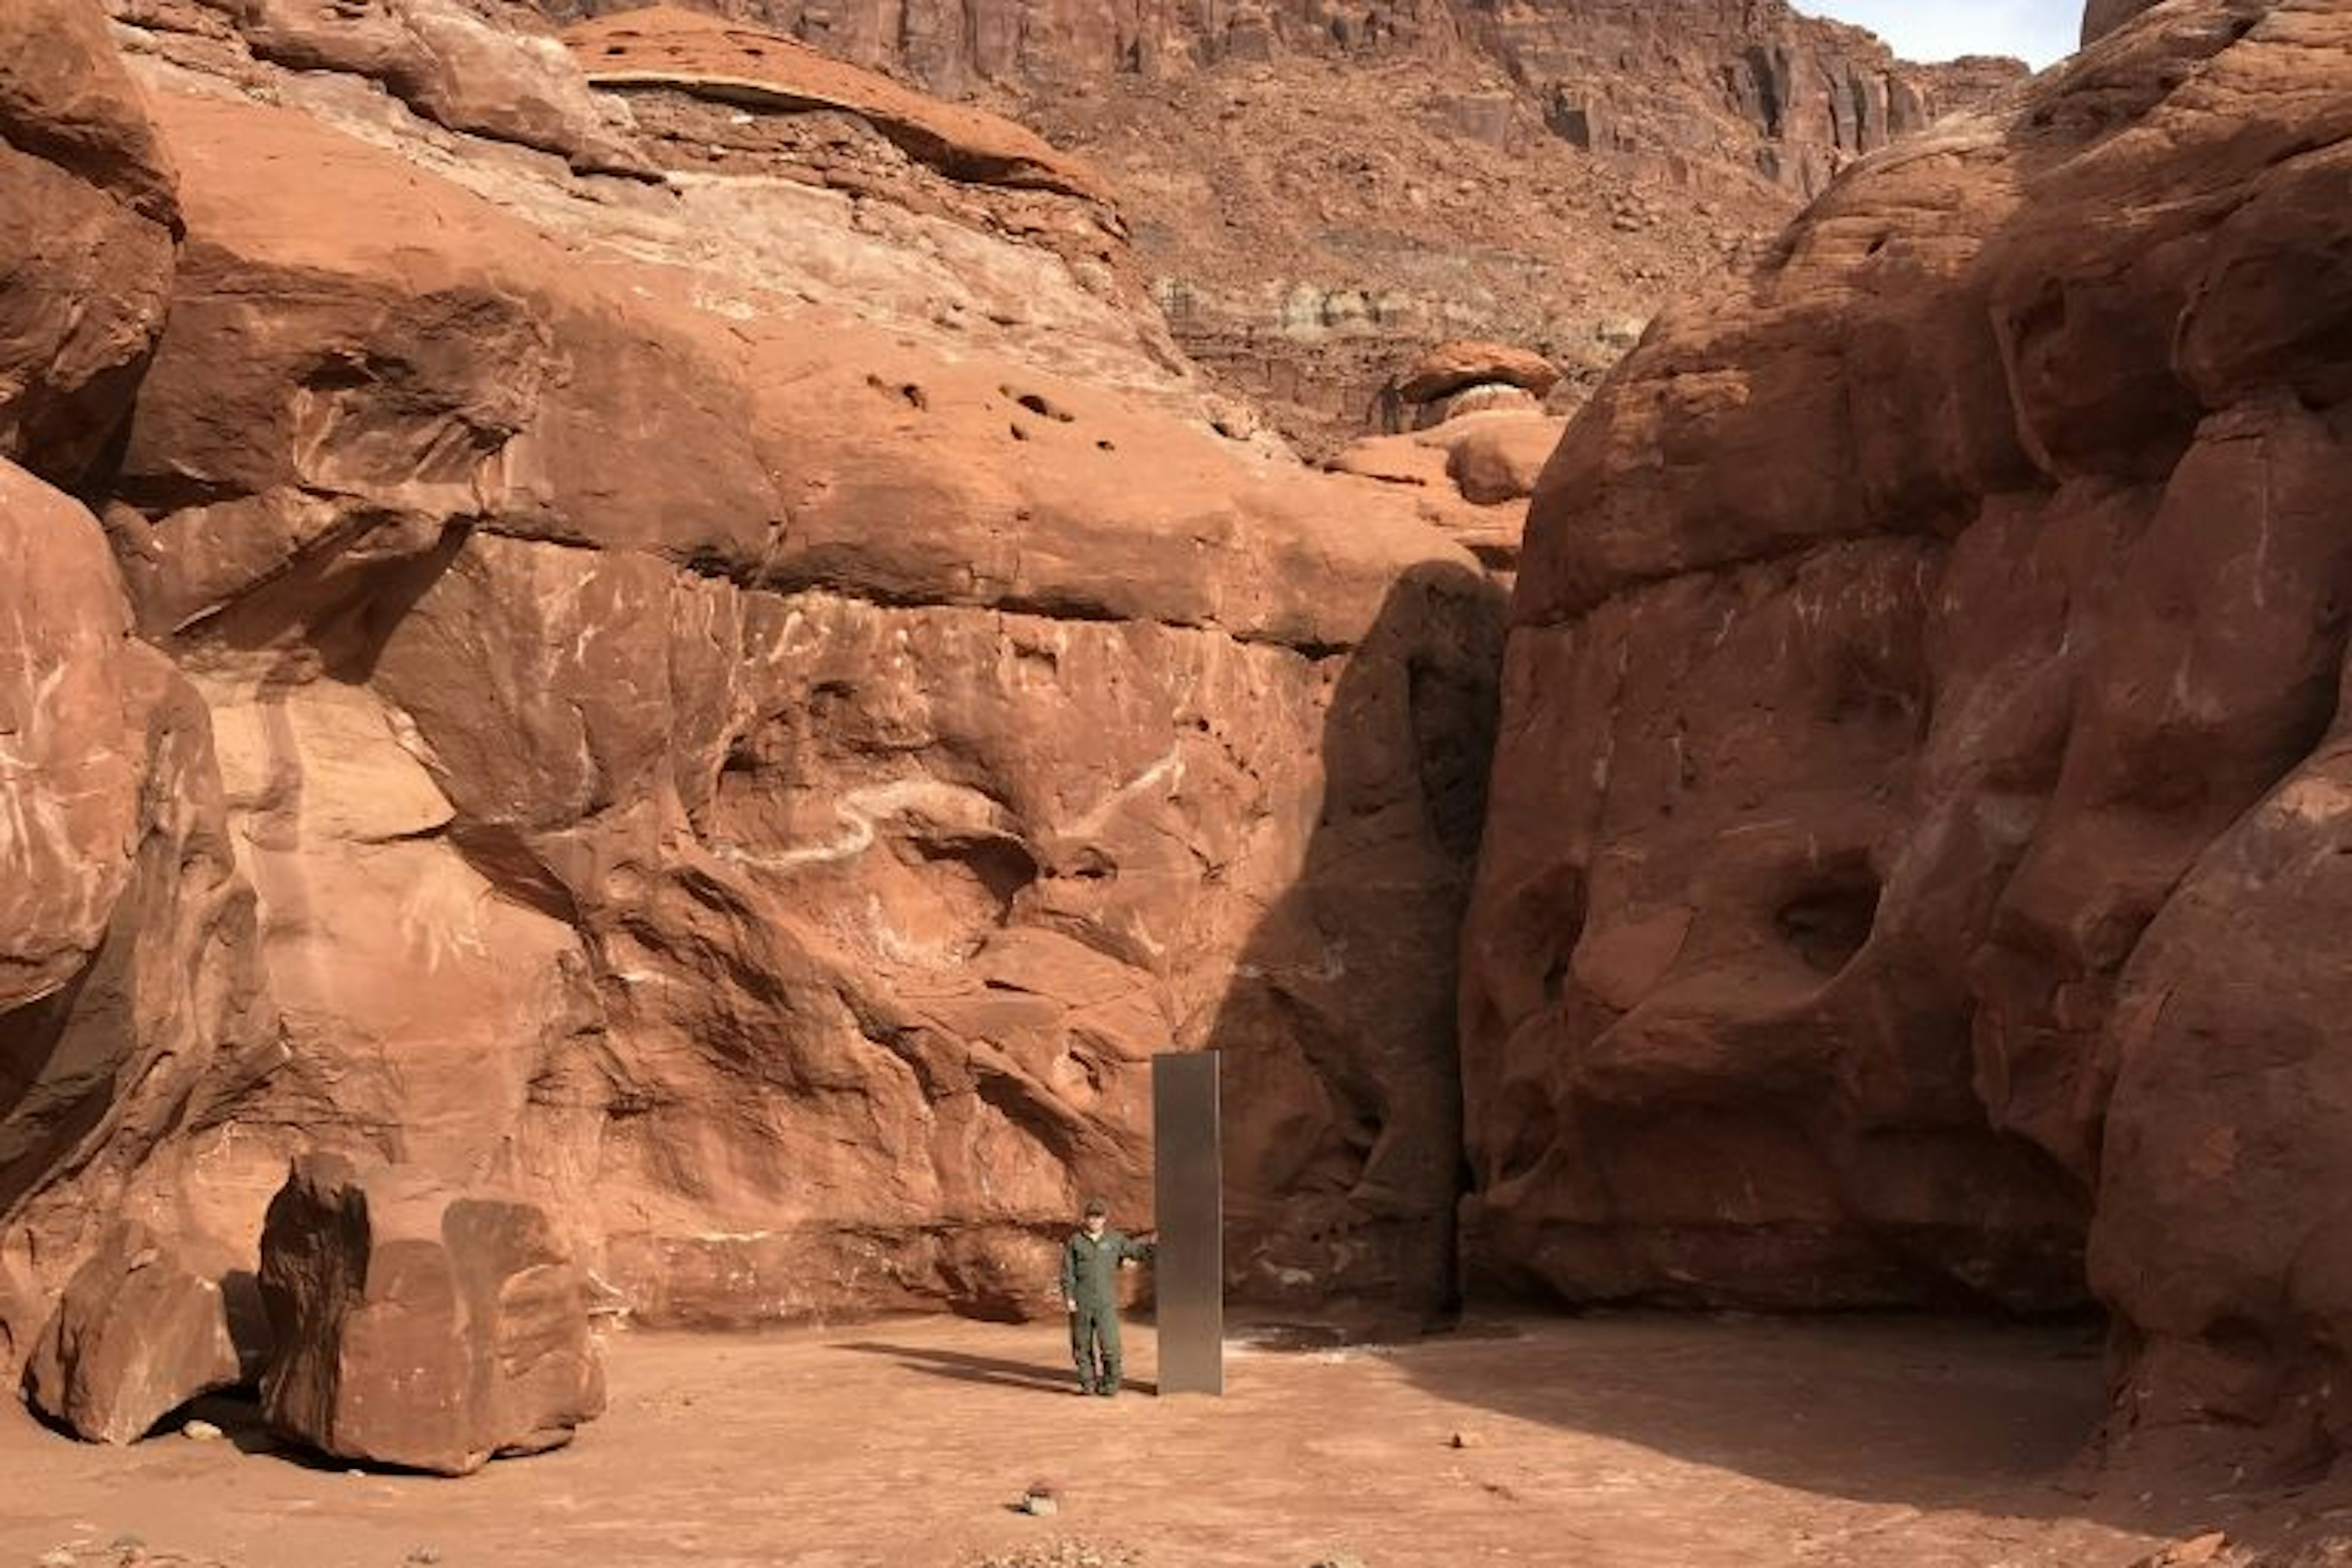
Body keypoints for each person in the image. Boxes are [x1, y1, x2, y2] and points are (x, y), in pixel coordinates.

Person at [1061, 1196, 1154, 1396]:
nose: (1094, 1221)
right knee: (1081, 1346)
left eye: (1098, 1217)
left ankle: (1111, 1385)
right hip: (1081, 1301)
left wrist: (1154, 1245)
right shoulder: (1076, 1242)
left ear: (1105, 1219)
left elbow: (1137, 1252)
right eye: (1091, 1217)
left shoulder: (1115, 1239)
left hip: (1105, 1303)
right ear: (1085, 1219)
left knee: (1110, 1346)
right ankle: (1088, 1384)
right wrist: (1069, 1297)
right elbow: (1067, 1272)